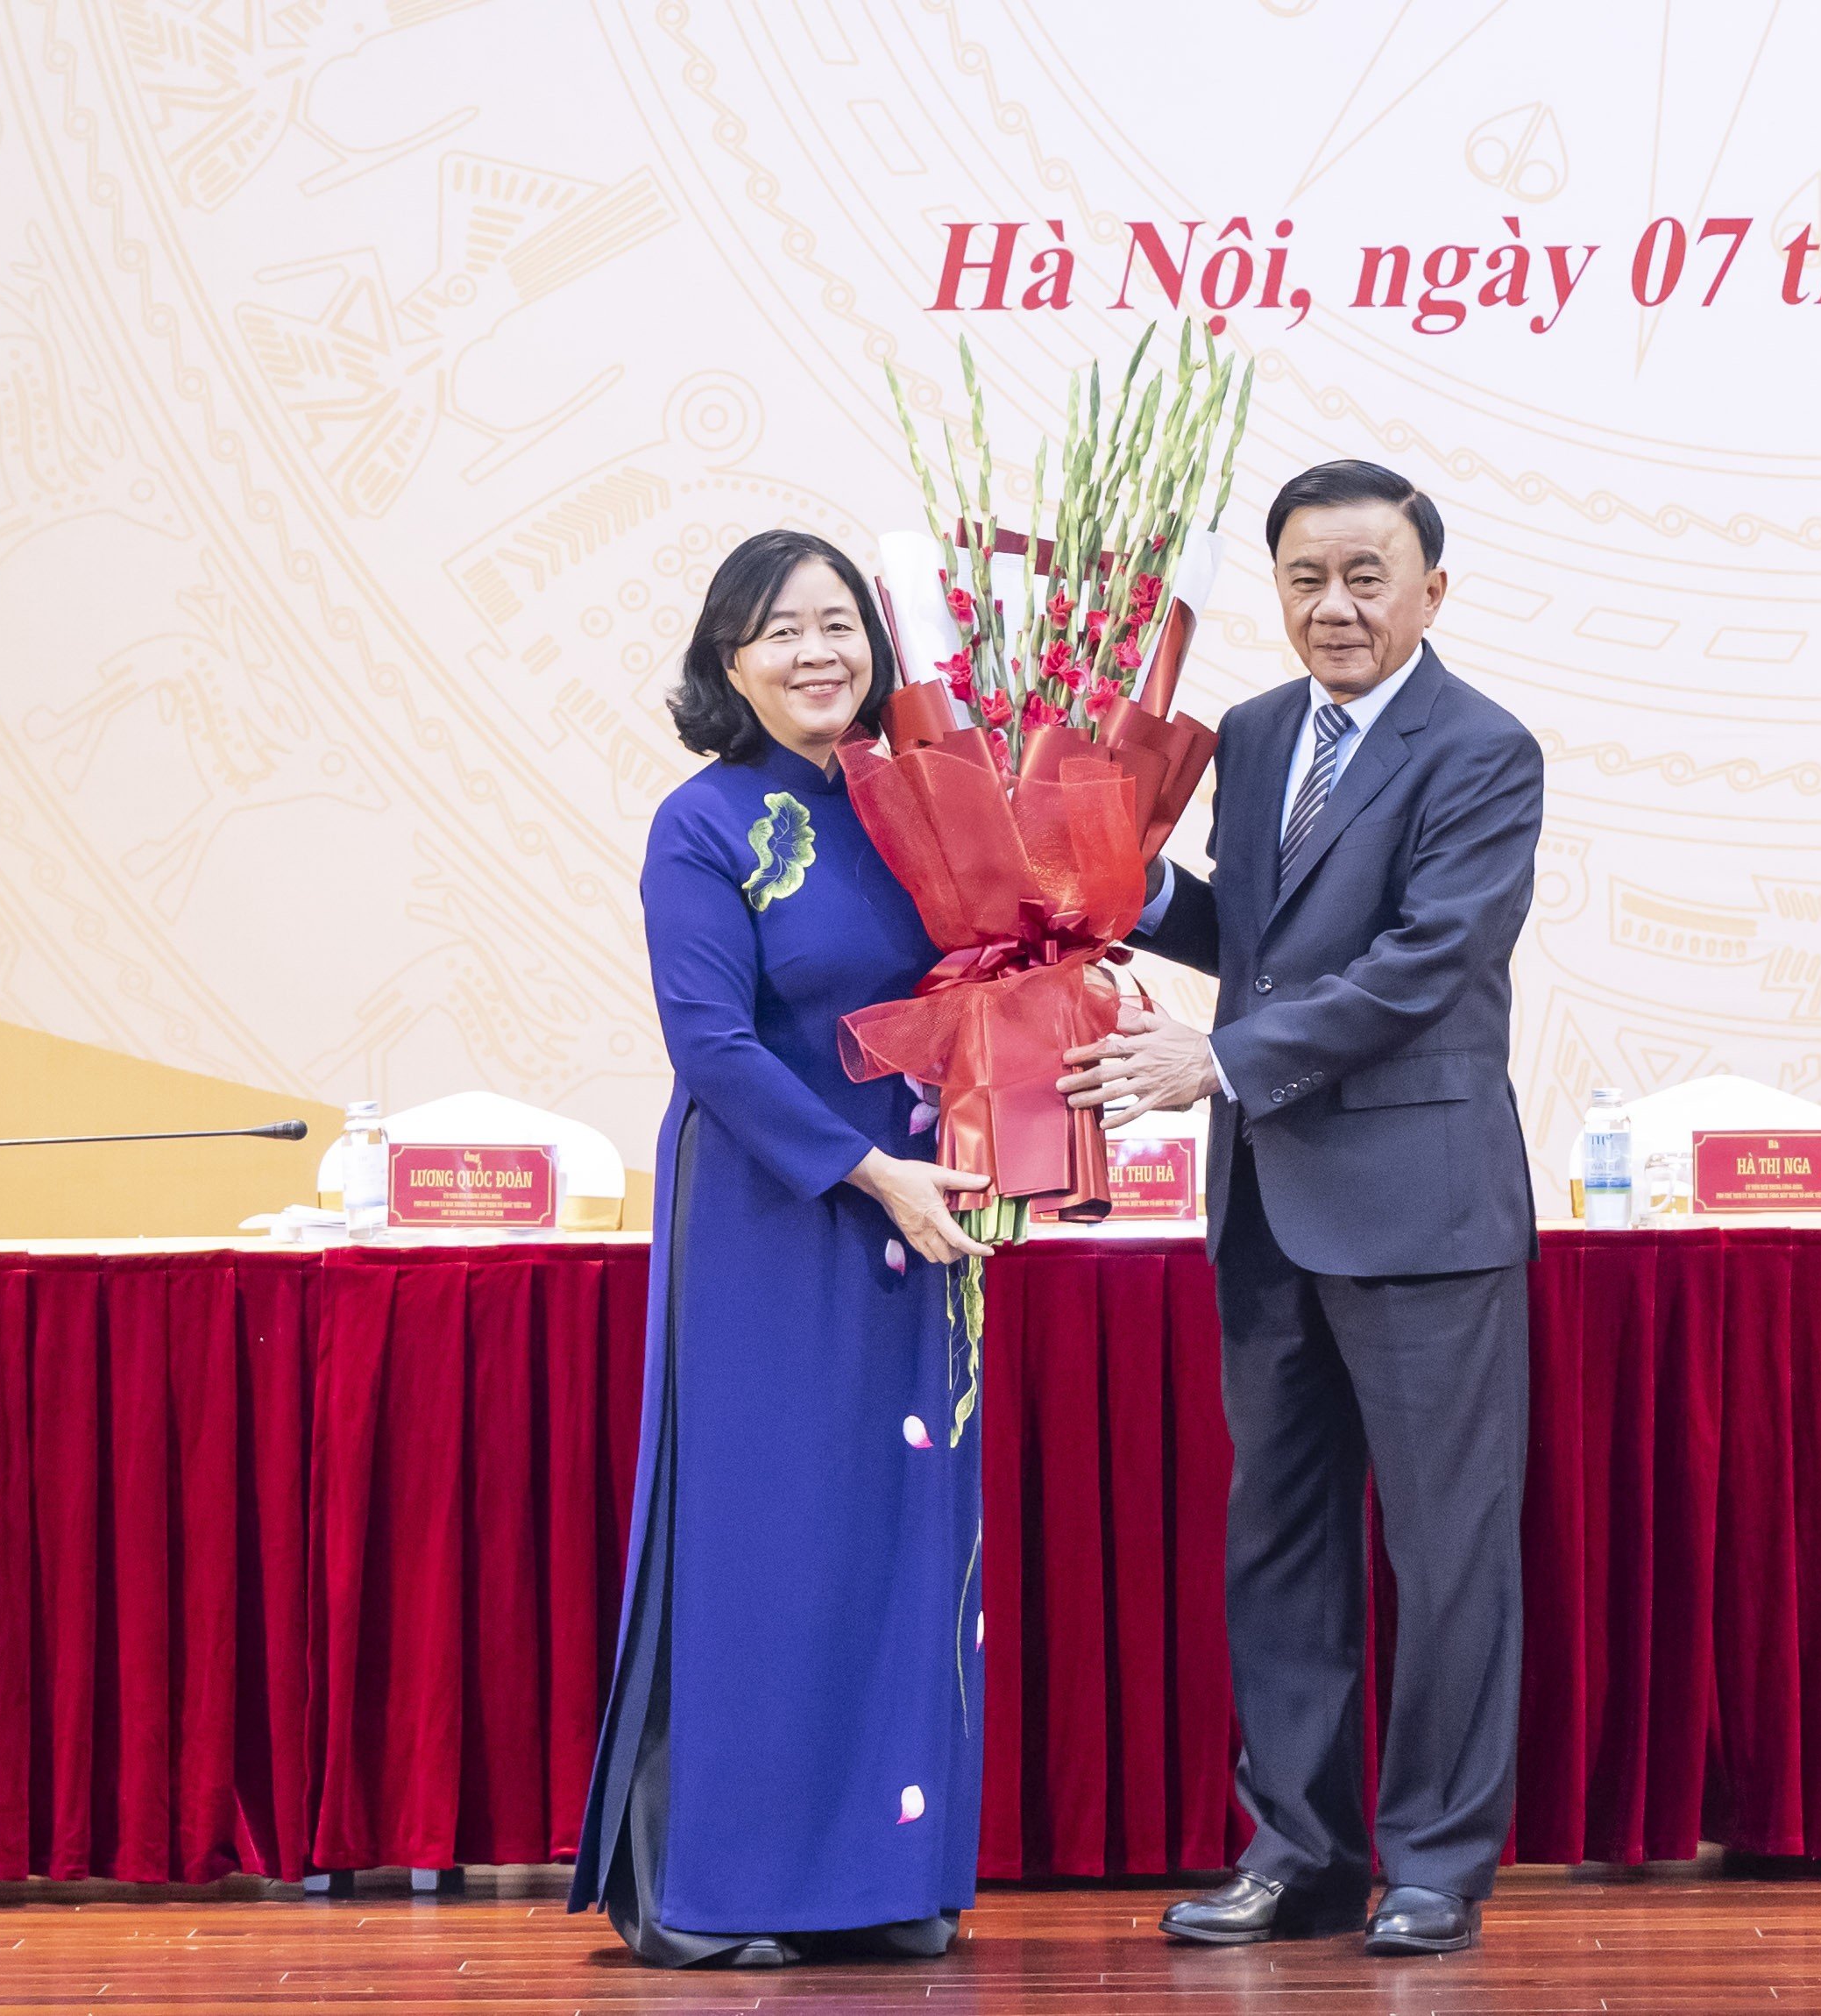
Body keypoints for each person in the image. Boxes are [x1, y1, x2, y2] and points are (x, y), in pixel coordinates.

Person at [1059, 460, 1544, 1956]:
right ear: (1274, 592)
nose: (1333, 607)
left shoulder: (1482, 749)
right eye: (1304, 581)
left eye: (1364, 578)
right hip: (1271, 1204)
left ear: (1430, 591)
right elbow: (1256, 942)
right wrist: (1103, 878)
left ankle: (1435, 1865)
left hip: (1423, 1209)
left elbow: (1425, 964)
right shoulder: (1258, 736)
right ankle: (1296, 1849)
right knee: (1276, 1540)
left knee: (1445, 1549)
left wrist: (1217, 1060)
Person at [570, 529, 992, 1970]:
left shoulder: (918, 802)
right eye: (780, 631)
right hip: (776, 1209)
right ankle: (723, 1893)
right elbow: (711, 1046)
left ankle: (883, 1877)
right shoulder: (701, 824)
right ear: (728, 662)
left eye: (839, 625)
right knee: (773, 1541)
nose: (818, 654)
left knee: (898, 1534)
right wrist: (867, 1171)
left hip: (922, 1207)